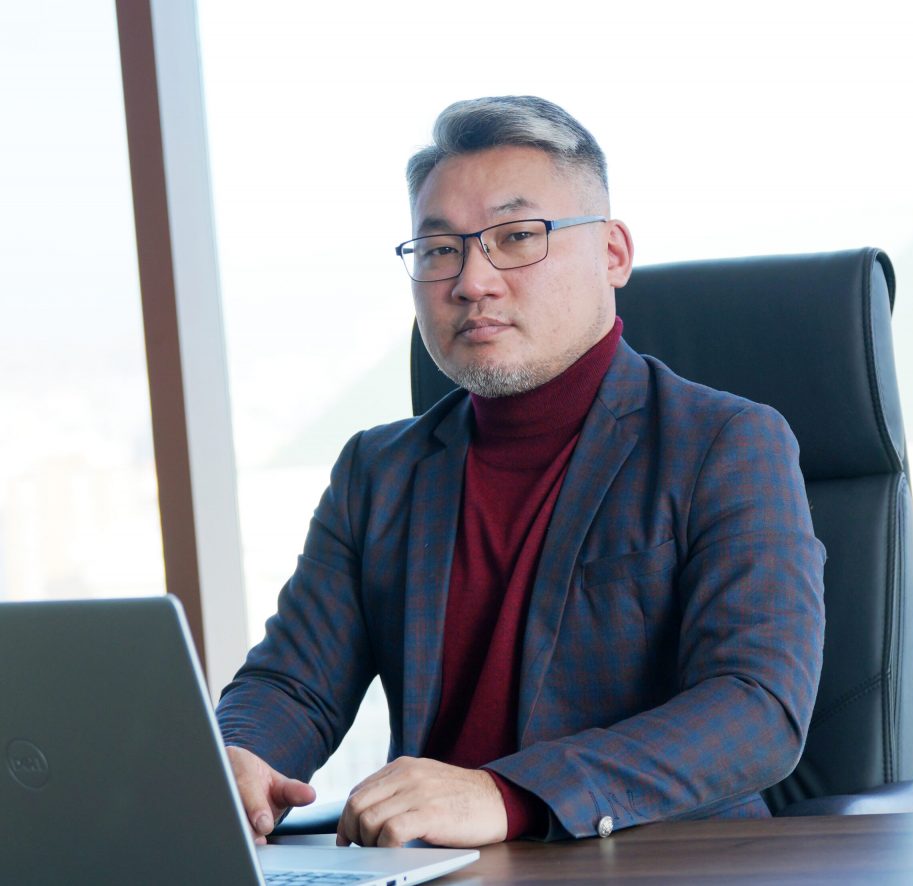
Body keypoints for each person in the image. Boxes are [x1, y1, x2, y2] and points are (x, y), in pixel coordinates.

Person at [216, 95, 826, 849]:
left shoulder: (726, 444)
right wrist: (239, 756)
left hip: (654, 864)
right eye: (440, 250)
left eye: (515, 237)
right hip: (433, 868)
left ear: (612, 253)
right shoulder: (378, 473)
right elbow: (293, 683)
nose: (472, 281)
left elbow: (757, 705)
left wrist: (510, 795)